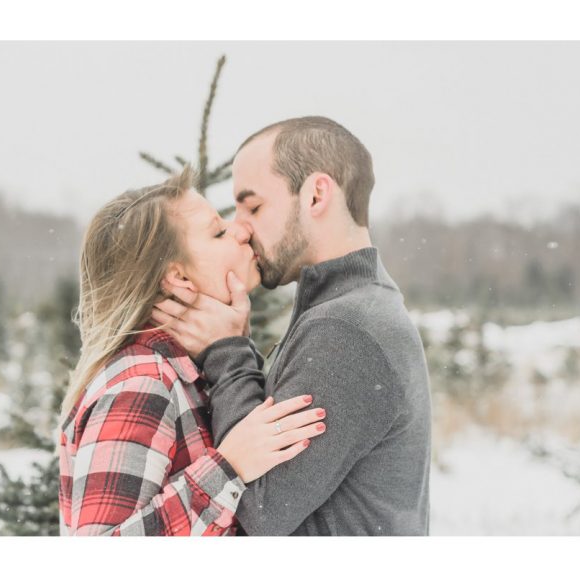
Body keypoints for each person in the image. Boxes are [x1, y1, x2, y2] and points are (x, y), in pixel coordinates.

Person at [152, 116, 432, 536]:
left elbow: (259, 507)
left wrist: (227, 351)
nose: (240, 228)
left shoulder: (346, 329)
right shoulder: (351, 308)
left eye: (254, 206)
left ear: (316, 195)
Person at [57, 167, 327, 536]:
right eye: (218, 232)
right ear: (178, 278)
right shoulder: (142, 383)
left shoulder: (187, 371)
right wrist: (229, 466)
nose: (242, 230)